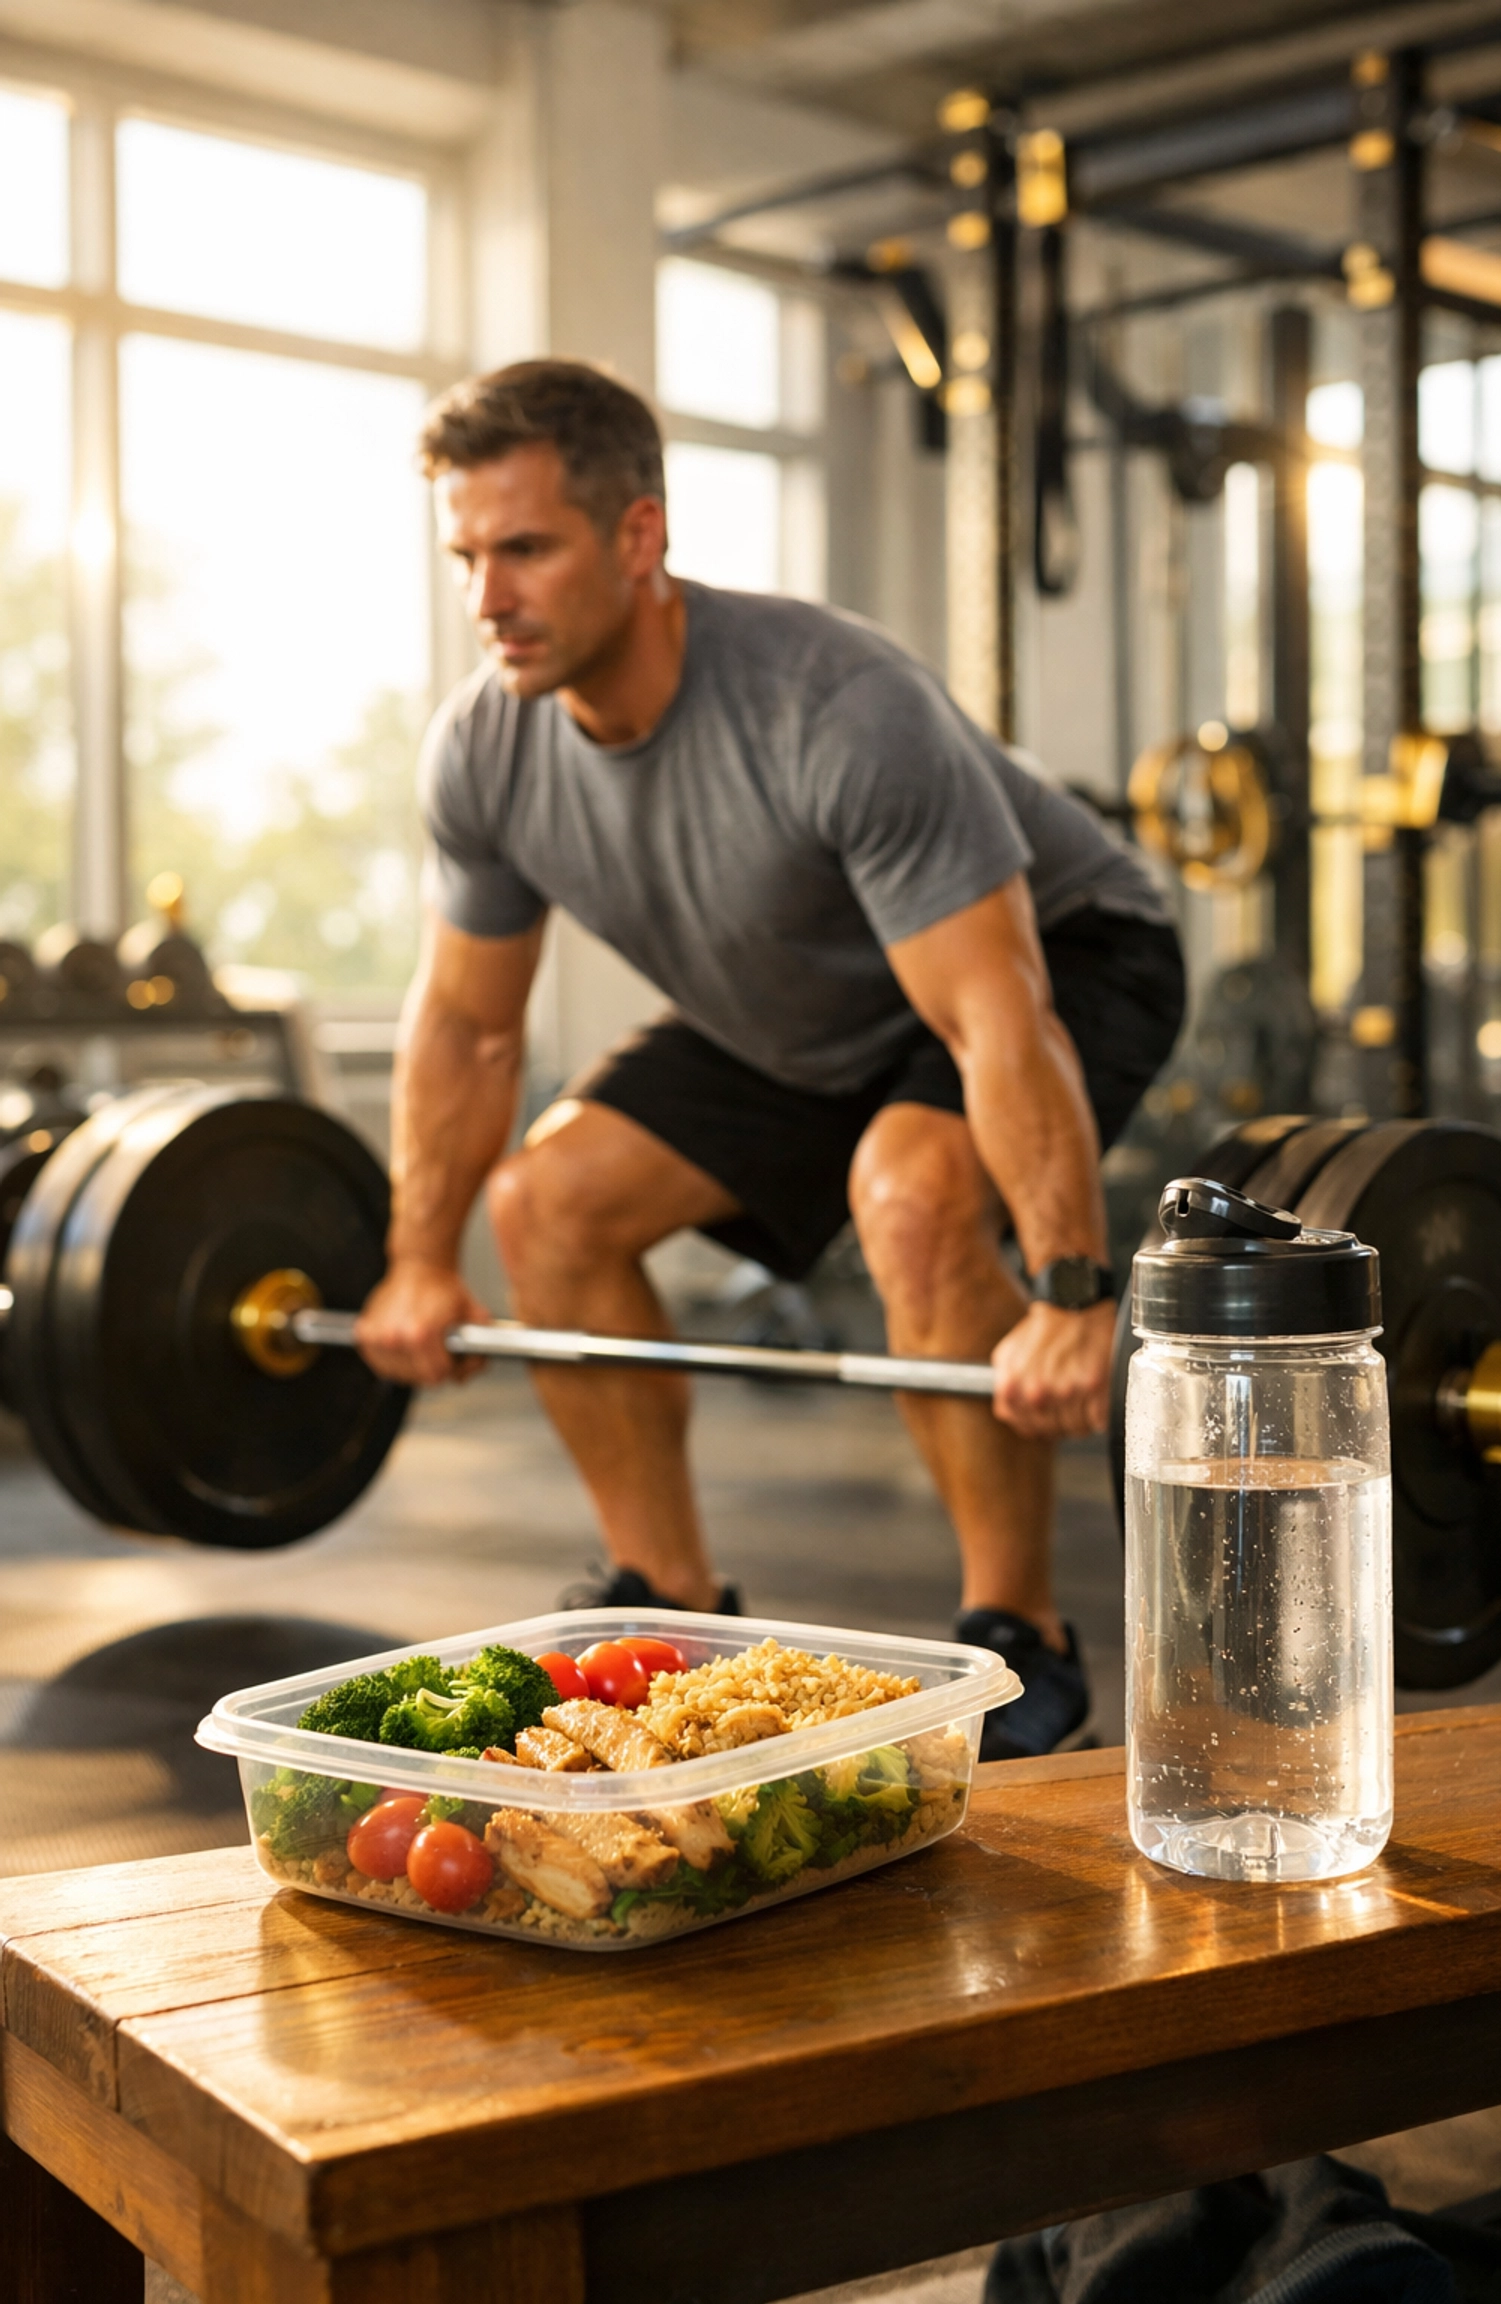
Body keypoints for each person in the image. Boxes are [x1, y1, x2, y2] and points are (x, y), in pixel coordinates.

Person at [354, 359, 1184, 1757]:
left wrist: (1069, 1291)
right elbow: (468, 1024)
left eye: (526, 549)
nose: (488, 596)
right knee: (543, 1205)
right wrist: (419, 1255)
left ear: (638, 536)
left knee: (913, 1191)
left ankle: (1018, 1635)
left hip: (1063, 950)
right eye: (466, 556)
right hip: (790, 1007)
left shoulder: (831, 703)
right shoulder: (486, 750)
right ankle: (663, 1609)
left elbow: (994, 1012)